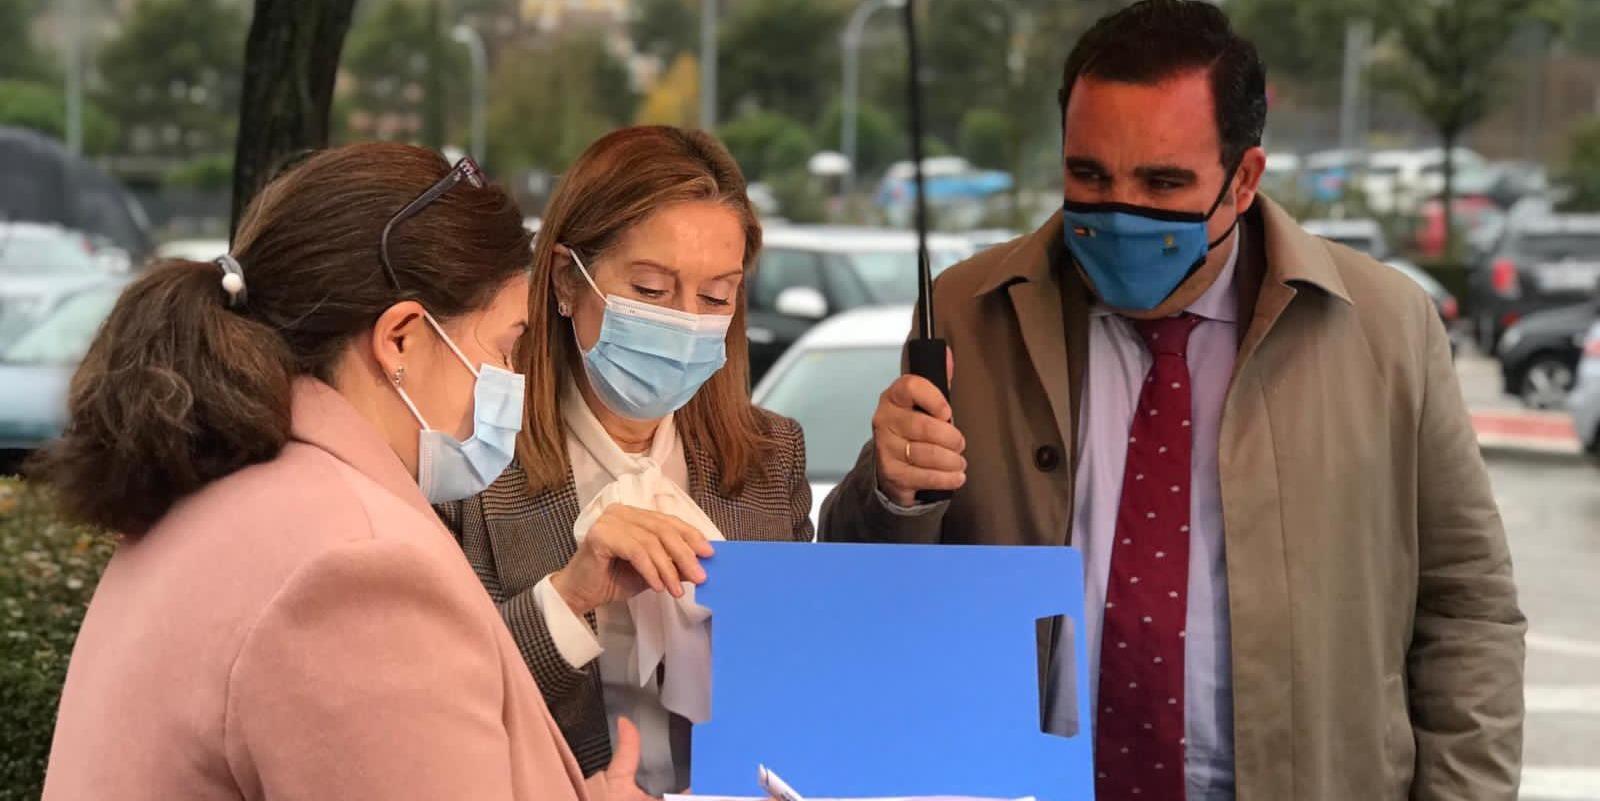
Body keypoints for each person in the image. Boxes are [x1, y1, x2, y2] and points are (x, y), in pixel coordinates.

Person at [821, 2, 1525, 800]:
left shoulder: (1386, 330)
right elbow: (859, 585)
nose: (1121, 209)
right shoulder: (967, 313)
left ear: (1245, 179)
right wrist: (891, 491)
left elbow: (1469, 609)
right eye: (1088, 175)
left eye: (1162, 181)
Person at [36, 143, 650, 801]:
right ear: (401, 341)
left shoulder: (232, 493)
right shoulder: (359, 570)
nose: (517, 377)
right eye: (505, 344)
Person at [437, 126, 813, 796]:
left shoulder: (769, 459)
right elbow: (436, 701)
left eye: (717, 296)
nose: (686, 322)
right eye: (650, 289)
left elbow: (808, 678)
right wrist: (568, 598)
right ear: (563, 280)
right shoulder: (470, 461)